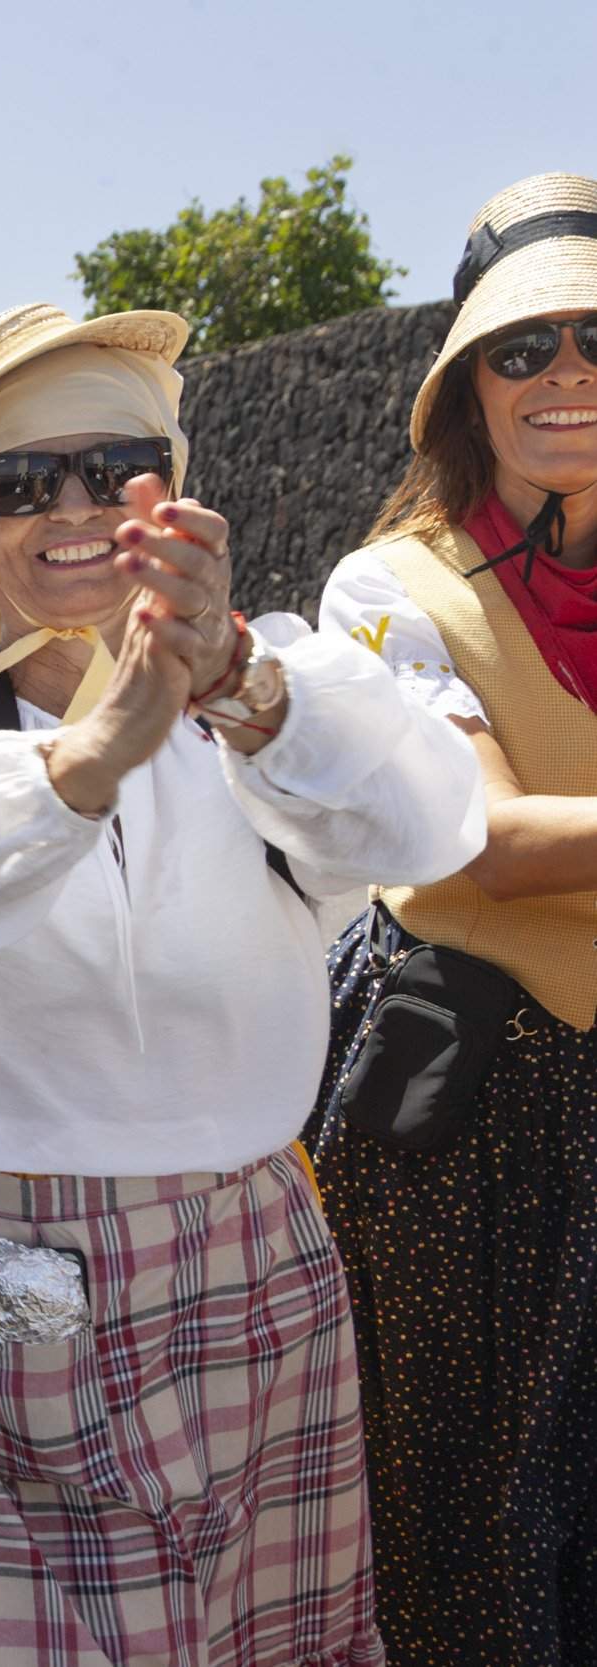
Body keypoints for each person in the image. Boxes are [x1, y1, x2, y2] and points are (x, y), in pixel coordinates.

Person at [0, 302, 484, 1667]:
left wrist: (237, 680)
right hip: (2, 1266)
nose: (70, 508)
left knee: (263, 1639)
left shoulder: (275, 684)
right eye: (17, 481)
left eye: (115, 468)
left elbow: (429, 827)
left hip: (251, 1250)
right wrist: (86, 758)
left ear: (174, 488)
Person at [310, 171, 597, 1666]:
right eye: (522, 347)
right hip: (469, 1111)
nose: (564, 375)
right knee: (457, 1512)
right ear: (468, 389)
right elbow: (477, 838)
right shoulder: (388, 589)